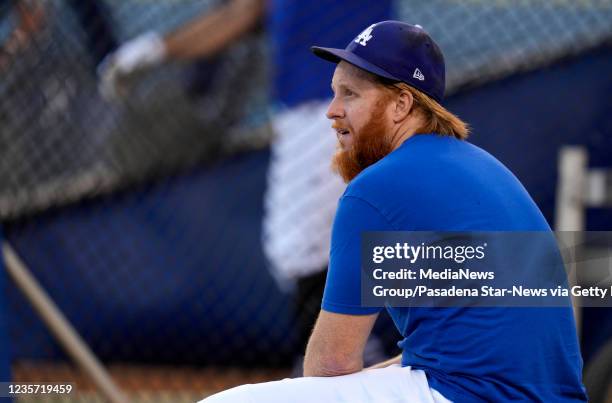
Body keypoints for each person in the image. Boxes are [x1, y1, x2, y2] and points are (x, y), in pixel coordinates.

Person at [199, 20, 587, 402]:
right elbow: (458, 346)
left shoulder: (377, 187)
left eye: (350, 94)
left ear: (401, 104)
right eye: (334, 93)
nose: (332, 110)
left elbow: (329, 366)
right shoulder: (482, 167)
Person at [98, 0, 395, 366]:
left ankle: (340, 367)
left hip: (334, 106)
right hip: (319, 107)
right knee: (319, 245)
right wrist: (155, 49)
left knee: (301, 248)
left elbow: (243, 11)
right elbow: (243, 13)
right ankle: (350, 362)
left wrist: (154, 50)